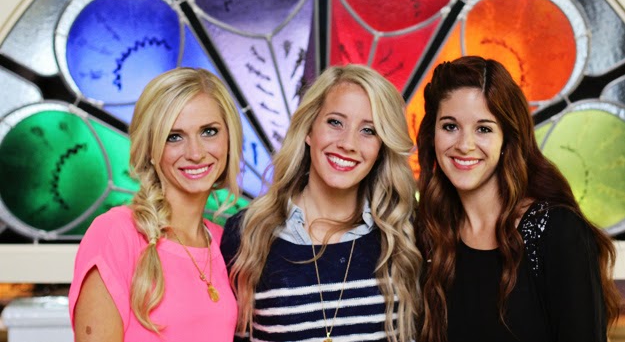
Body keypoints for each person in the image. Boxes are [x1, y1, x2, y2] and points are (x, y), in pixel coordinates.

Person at [415, 56, 621, 342]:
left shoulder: (557, 230)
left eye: (484, 128)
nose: (464, 145)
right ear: (432, 135)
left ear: (507, 139)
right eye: (450, 126)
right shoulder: (429, 232)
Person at [221, 64, 422, 342]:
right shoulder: (248, 232)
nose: (348, 143)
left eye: (368, 130)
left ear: (381, 148)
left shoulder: (403, 233)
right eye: (335, 122)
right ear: (309, 130)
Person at [69, 67, 243, 341]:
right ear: (151, 148)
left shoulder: (226, 243)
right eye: (174, 136)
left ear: (229, 139)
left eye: (209, 131)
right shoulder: (116, 233)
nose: (195, 153)